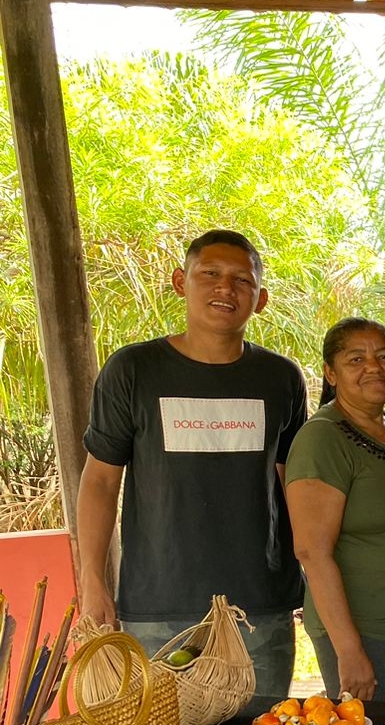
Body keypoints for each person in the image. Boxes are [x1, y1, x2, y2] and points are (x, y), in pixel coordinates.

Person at [76, 229, 306, 697]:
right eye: (211, 274)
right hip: (159, 606)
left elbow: (293, 485)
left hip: (258, 605)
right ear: (182, 282)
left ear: (260, 300)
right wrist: (92, 580)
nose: (226, 289)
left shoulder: (280, 377)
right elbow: (100, 480)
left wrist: (315, 576)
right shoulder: (133, 370)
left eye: (242, 280)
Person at [285, 318, 385, 703]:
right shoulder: (322, 438)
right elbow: (311, 551)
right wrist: (349, 650)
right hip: (359, 628)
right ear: (331, 372)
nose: (373, 367)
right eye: (355, 359)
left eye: (383, 356)